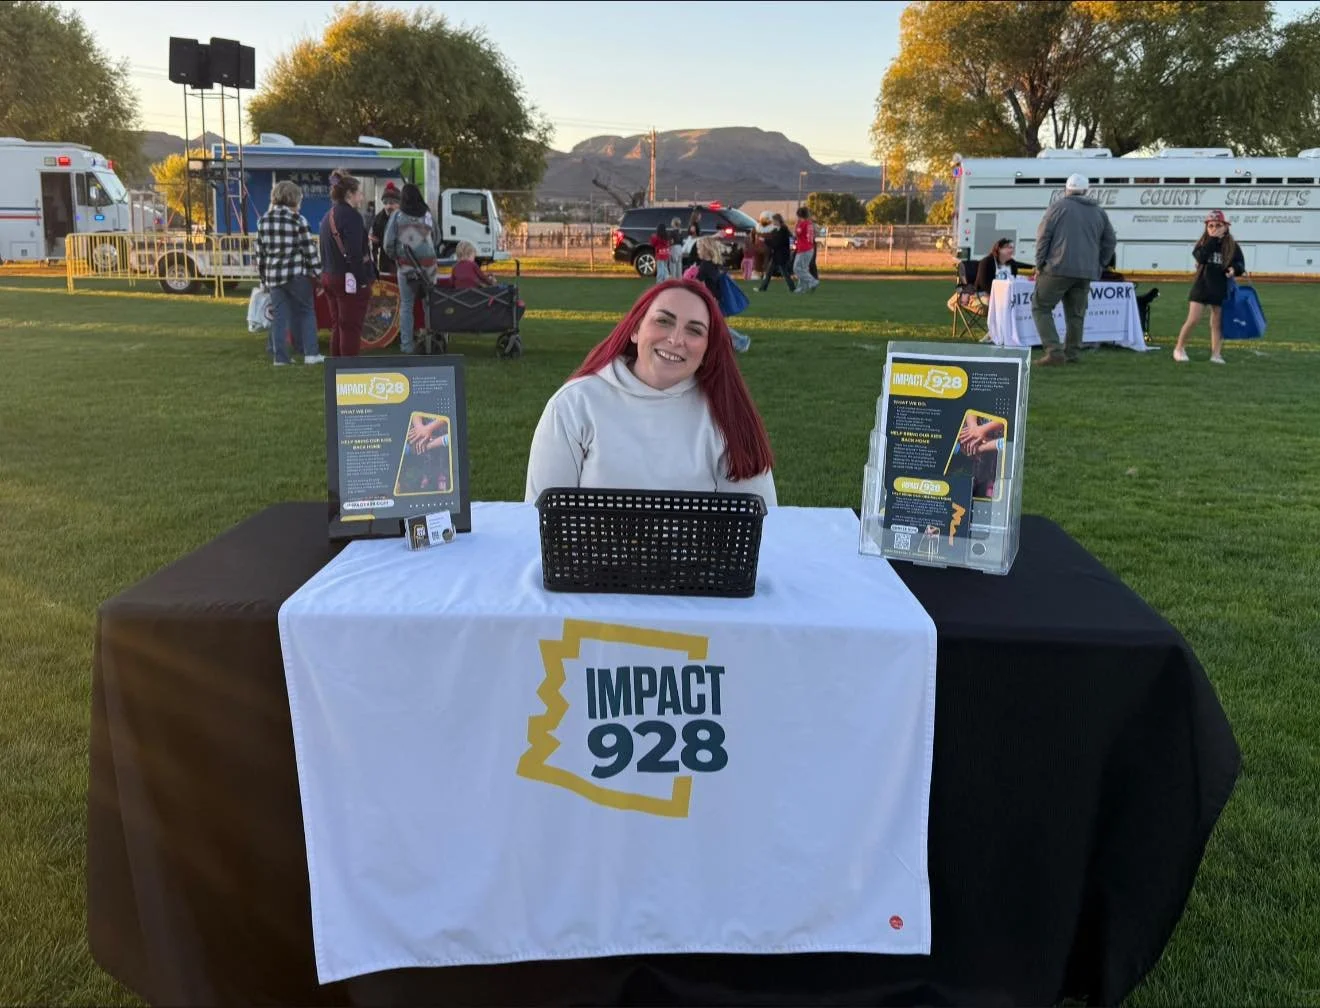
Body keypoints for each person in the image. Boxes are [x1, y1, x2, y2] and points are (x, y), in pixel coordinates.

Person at [524, 280, 776, 504]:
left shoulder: (727, 412)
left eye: (694, 330)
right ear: (635, 330)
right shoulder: (574, 404)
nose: (676, 339)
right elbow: (541, 518)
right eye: (663, 321)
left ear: (707, 351)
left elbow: (760, 522)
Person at [1031, 173, 1116, 366]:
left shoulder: (1057, 207)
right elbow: (1110, 241)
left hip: (1057, 268)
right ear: (1086, 190)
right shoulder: (1099, 211)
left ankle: (1054, 352)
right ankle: (1072, 353)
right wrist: (1099, 264)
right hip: (1085, 272)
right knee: (1076, 314)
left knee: (1041, 307)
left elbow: (1043, 237)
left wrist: (1039, 264)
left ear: (1066, 189)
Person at [254, 180, 324, 366]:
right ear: (294, 199)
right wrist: (319, 274)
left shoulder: (263, 221)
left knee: (279, 317)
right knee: (307, 312)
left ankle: (281, 358)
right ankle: (311, 354)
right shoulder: (298, 220)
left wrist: (264, 279)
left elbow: (259, 254)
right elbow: (309, 250)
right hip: (296, 275)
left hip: (273, 277)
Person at [1173, 210, 1245, 365]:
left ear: (1225, 227)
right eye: (1210, 226)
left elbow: (1240, 264)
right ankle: (1179, 348)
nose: (1214, 228)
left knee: (1217, 323)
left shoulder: (1232, 245)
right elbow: (1200, 256)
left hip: (1220, 287)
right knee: (1193, 319)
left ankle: (1216, 354)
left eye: (1218, 225)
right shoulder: (1203, 243)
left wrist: (1235, 269)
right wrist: (1212, 240)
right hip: (1202, 285)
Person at [319, 173, 376, 357]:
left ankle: (336, 369)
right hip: (347, 278)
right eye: (359, 193)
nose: (362, 197)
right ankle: (348, 372)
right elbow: (355, 254)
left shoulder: (328, 216)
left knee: (339, 325)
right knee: (351, 327)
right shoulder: (352, 217)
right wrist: (362, 281)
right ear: (349, 194)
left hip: (330, 275)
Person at [383, 183, 440, 354]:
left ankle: (406, 345)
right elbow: (437, 238)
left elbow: (388, 243)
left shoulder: (397, 216)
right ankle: (432, 339)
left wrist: (397, 258)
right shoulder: (428, 215)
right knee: (429, 304)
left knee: (406, 305)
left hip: (406, 266)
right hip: (429, 267)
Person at [693, 237, 751, 353]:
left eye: (699, 248)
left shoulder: (705, 266)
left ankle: (741, 341)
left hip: (713, 299)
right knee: (714, 325)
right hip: (716, 298)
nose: (697, 251)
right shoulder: (713, 263)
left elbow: (698, 281)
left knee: (717, 325)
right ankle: (716, 347)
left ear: (706, 249)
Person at [757, 213, 796, 293]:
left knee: (785, 273)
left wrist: (765, 240)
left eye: (774, 220)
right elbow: (773, 241)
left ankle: (793, 288)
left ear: (778, 220)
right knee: (769, 273)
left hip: (782, 255)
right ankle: (762, 288)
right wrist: (765, 240)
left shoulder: (783, 230)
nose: (773, 222)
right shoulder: (776, 230)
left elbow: (777, 243)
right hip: (776, 255)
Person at [370, 182, 401, 275]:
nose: (388, 206)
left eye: (392, 203)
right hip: (385, 265)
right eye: (385, 203)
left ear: (399, 203)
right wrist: (374, 264)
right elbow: (374, 246)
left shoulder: (405, 218)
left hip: (403, 264)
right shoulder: (378, 219)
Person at [792, 207, 820, 293]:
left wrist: (796, 225)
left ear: (799, 215)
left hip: (803, 249)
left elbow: (796, 233)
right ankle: (802, 288)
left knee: (796, 268)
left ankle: (812, 281)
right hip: (810, 248)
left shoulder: (802, 224)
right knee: (803, 269)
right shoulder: (810, 223)